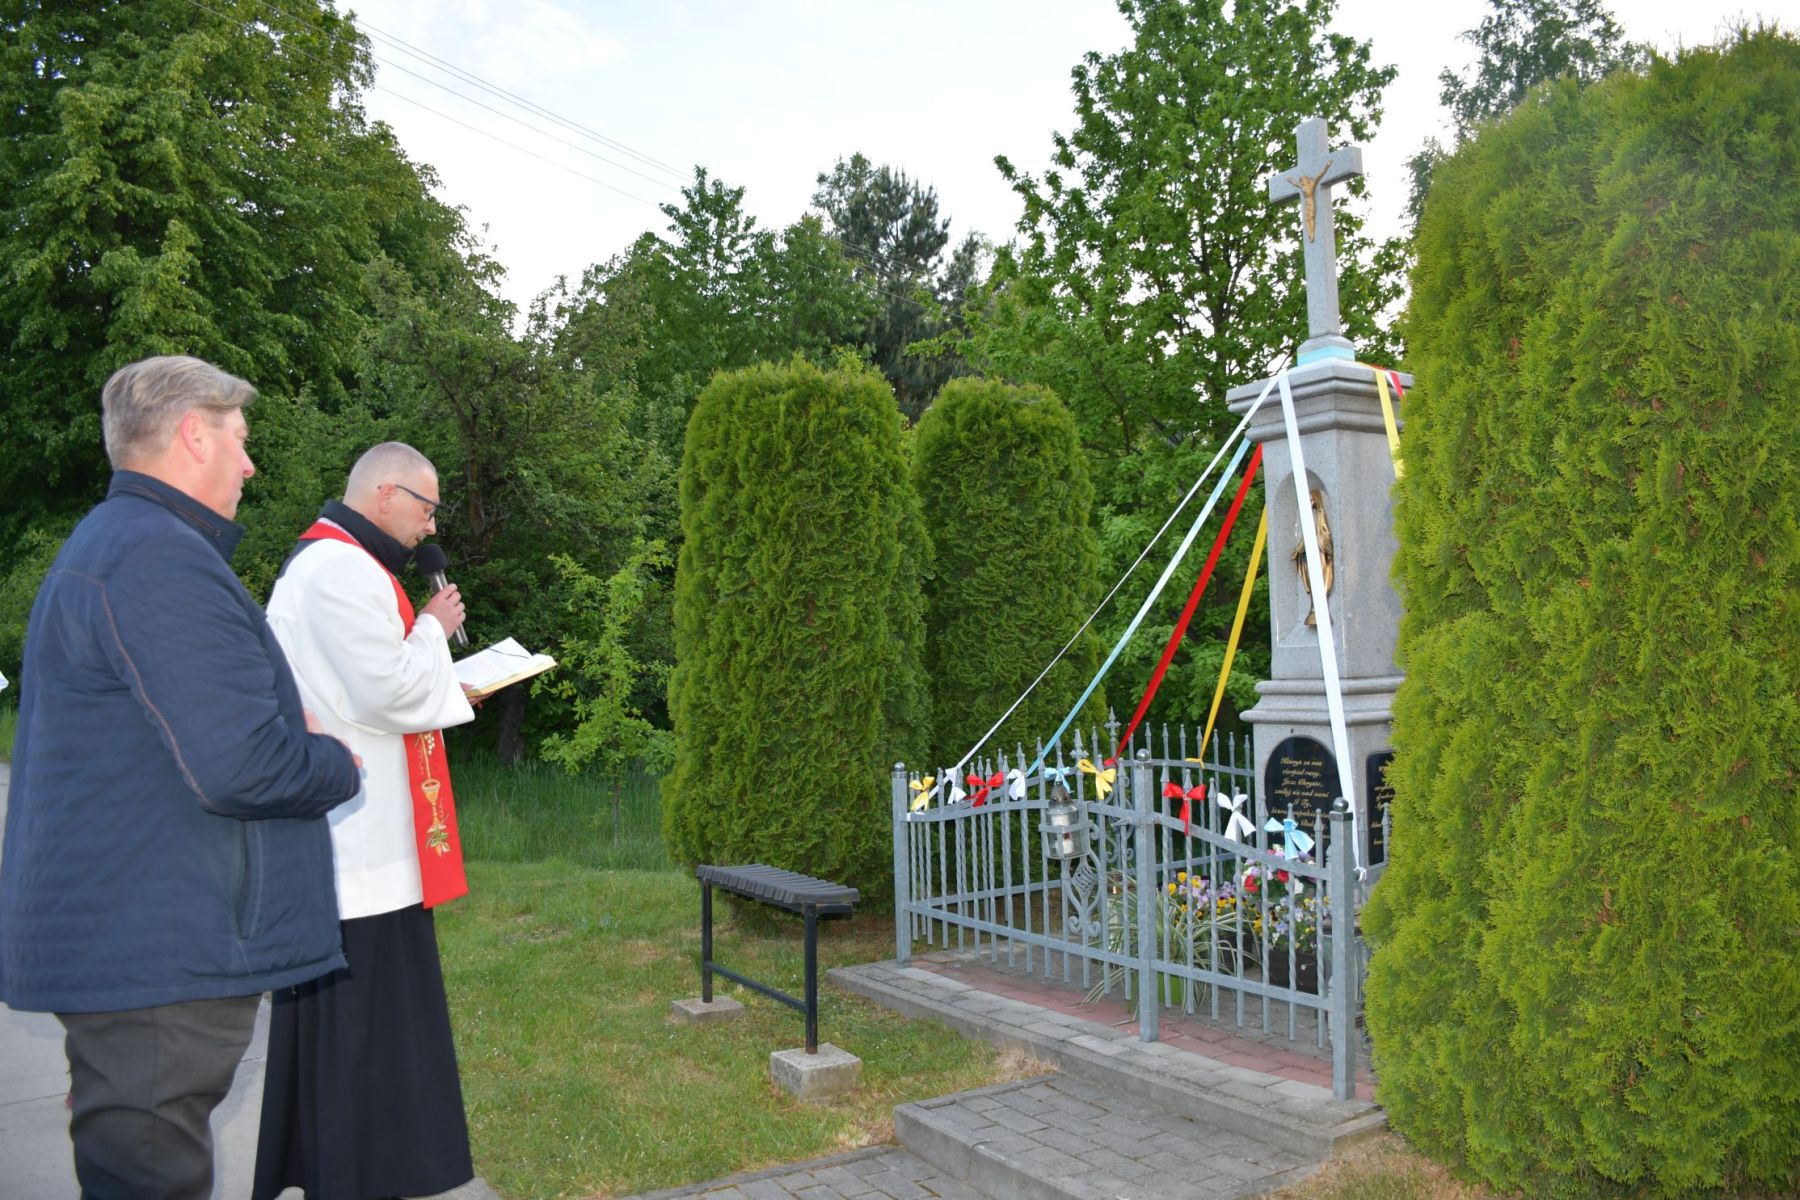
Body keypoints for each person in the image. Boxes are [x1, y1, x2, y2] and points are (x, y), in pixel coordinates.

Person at [0, 356, 362, 1200]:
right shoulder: (157, 559)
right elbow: (243, 765)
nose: (250, 464)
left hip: (135, 943)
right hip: (160, 953)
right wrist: (334, 761)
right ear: (194, 434)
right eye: (240, 439)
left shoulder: (119, 543)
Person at [253, 442, 479, 1200]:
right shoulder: (338, 570)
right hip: (356, 844)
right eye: (427, 507)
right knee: (362, 1029)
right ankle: (353, 1173)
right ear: (385, 494)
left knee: (367, 1026)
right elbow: (384, 691)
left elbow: (371, 686)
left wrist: (444, 679)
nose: (431, 525)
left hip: (365, 836)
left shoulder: (344, 563)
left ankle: (357, 1169)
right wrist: (434, 630)